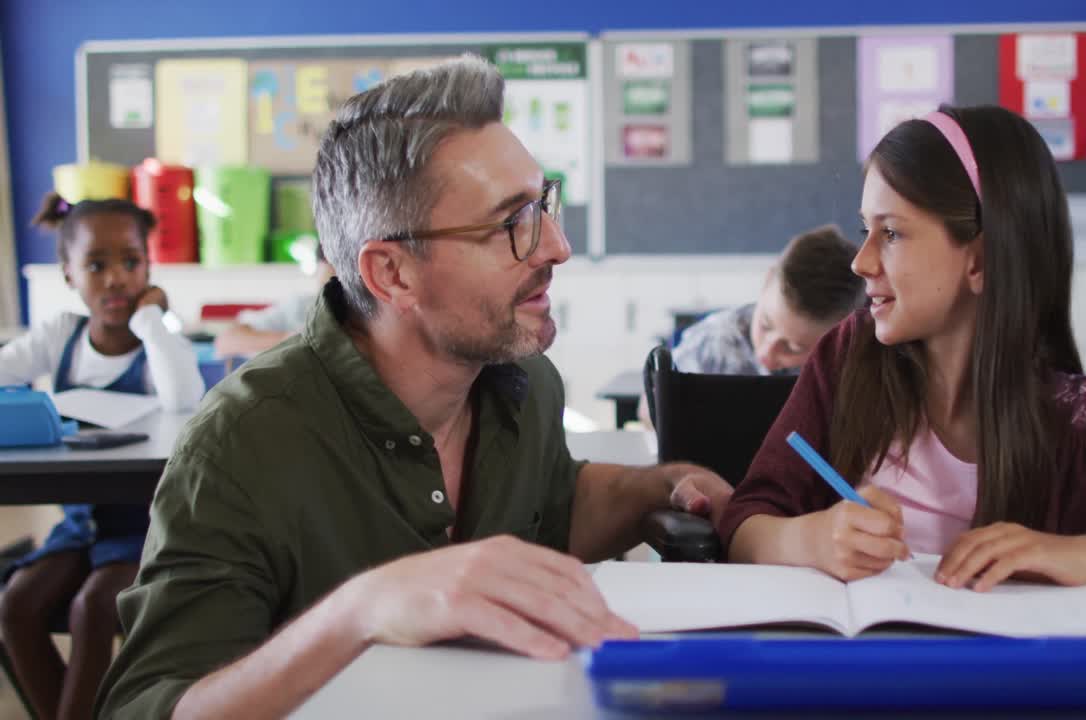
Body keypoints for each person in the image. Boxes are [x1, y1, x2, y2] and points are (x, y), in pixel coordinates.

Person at [96, 56, 732, 719]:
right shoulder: (242, 442)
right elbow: (146, 707)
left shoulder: (524, 385)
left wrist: (658, 487)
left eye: (543, 204)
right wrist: (360, 611)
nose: (557, 247)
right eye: (509, 224)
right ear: (392, 274)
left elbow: (548, 509)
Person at [721, 106, 1086, 591]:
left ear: (980, 261)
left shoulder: (1073, 419)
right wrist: (808, 540)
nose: (861, 261)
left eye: (890, 233)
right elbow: (746, 522)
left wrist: (1074, 555)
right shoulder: (847, 360)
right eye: (865, 229)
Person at [0, 193, 204, 720]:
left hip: (146, 529)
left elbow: (184, 399)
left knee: (93, 607)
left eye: (130, 262)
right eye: (96, 265)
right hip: (80, 527)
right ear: (69, 275)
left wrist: (152, 321)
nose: (116, 278)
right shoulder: (60, 335)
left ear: (149, 267)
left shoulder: (159, 342)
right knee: (16, 601)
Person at [672, 224, 863, 375]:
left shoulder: (852, 366)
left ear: (840, 338)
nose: (766, 353)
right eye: (765, 325)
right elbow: (651, 409)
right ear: (767, 281)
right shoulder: (711, 342)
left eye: (793, 348)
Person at [212, 246, 335, 359]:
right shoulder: (300, 307)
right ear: (322, 266)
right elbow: (227, 341)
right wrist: (298, 340)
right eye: (331, 265)